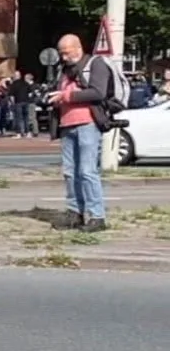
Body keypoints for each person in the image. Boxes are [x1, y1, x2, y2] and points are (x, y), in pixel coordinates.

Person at [47, 33, 115, 232]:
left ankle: (97, 216)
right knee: (70, 172)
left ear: (78, 48)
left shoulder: (96, 64)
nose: (64, 57)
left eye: (66, 53)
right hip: (67, 124)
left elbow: (98, 92)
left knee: (87, 171)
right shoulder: (64, 70)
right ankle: (74, 212)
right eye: (61, 54)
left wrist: (66, 95)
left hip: (88, 123)